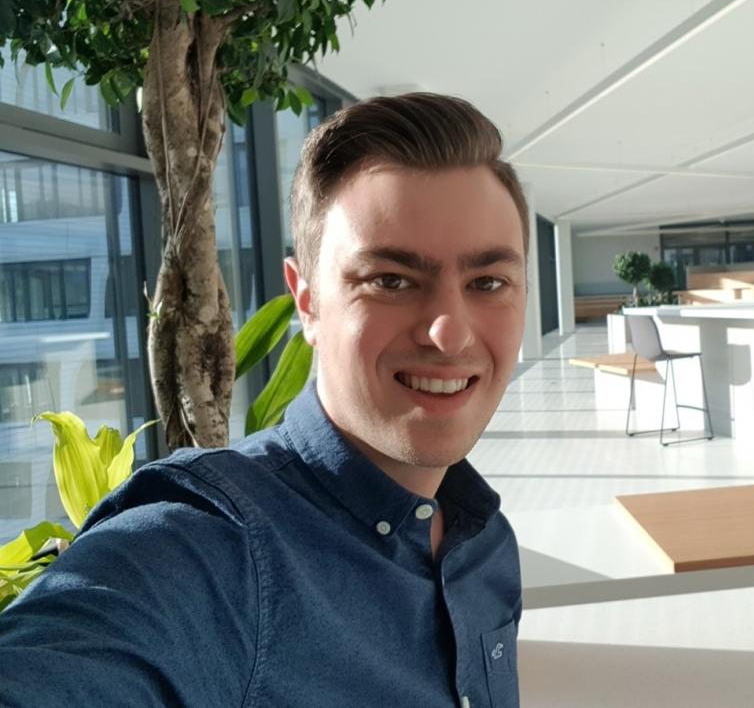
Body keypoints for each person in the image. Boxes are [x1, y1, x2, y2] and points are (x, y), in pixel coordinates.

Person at [0, 93, 529, 708]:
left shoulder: (485, 545)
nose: (450, 332)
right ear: (307, 302)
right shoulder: (215, 550)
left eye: (488, 282)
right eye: (390, 280)